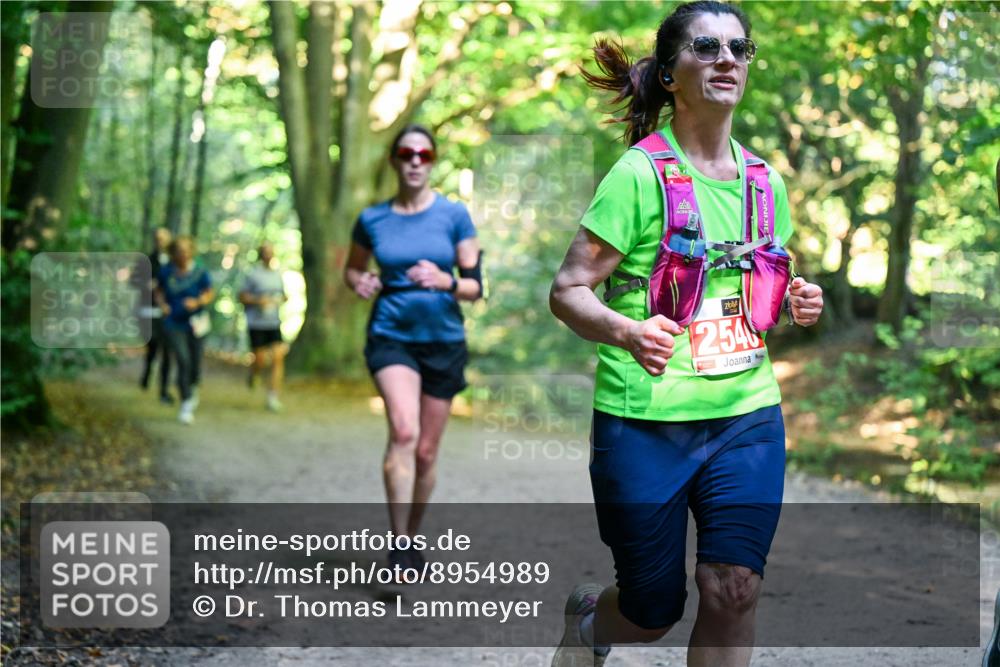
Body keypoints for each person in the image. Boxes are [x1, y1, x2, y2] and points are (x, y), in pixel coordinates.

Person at [548, 3, 824, 666]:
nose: (728, 59)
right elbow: (568, 291)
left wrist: (795, 296)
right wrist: (626, 330)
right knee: (652, 612)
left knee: (734, 587)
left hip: (746, 417)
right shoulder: (638, 176)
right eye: (707, 47)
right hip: (644, 422)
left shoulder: (766, 183)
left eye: (740, 48)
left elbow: (755, 281)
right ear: (672, 74)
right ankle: (591, 623)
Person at [344, 124, 483, 574]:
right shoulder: (372, 220)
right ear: (394, 160)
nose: (416, 161)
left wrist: (446, 281)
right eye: (407, 153)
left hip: (443, 341)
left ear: (433, 160)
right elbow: (352, 270)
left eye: (424, 154)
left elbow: (475, 287)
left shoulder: (454, 216)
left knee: (425, 451)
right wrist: (359, 281)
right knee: (403, 433)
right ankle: (399, 542)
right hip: (391, 336)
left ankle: (413, 537)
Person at [156, 236, 215, 425]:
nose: (182, 254)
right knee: (183, 359)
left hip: (197, 323)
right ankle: (186, 402)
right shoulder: (166, 272)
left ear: (191, 251)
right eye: (178, 250)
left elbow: (209, 292)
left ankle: (192, 385)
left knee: (195, 362)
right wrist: (163, 304)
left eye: (186, 250)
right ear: (173, 253)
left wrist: (197, 302)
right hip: (174, 322)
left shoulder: (199, 271)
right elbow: (157, 291)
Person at [239, 242, 288, 412]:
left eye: (271, 252)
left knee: (277, 358)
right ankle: (254, 373)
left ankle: (273, 397)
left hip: (274, 323)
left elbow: (284, 295)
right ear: (261, 255)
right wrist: (259, 301)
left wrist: (280, 299)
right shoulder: (252, 274)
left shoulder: (278, 274)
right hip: (256, 323)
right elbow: (242, 296)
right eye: (266, 252)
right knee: (259, 359)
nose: (269, 255)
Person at [138, 227, 173, 403]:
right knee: (153, 347)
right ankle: (147, 372)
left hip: (170, 313)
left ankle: (164, 390)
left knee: (167, 351)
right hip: (150, 311)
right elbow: (133, 281)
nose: (160, 241)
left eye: (163, 238)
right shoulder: (146, 260)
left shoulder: (175, 262)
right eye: (158, 238)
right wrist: (147, 285)